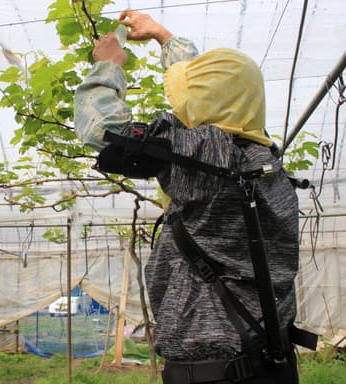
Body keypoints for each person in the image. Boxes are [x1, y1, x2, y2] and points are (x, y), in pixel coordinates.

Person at [74, 9, 301, 384]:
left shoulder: (209, 155)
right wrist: (165, 38)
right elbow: (215, 97)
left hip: (217, 374)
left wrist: (108, 66)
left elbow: (103, 128)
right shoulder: (263, 158)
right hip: (271, 362)